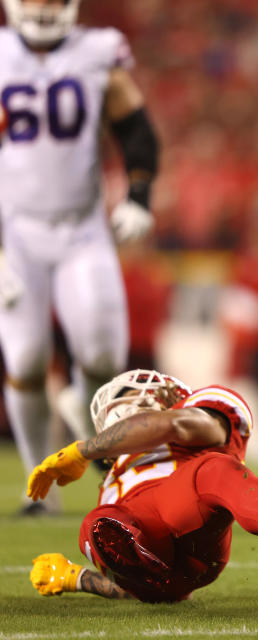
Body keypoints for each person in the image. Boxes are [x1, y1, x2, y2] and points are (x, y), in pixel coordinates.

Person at [0, 0, 158, 512]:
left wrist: (138, 194)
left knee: (101, 358)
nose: (43, 8)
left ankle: (86, 423)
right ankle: (36, 484)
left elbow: (135, 128)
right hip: (15, 233)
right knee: (24, 360)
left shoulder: (96, 51)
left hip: (82, 231)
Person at [25, 369, 258, 602]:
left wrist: (83, 450)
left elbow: (171, 424)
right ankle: (149, 563)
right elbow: (124, 589)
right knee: (97, 524)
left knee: (214, 468)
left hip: (187, 510)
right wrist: (78, 578)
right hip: (158, 572)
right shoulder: (110, 483)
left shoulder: (192, 412)